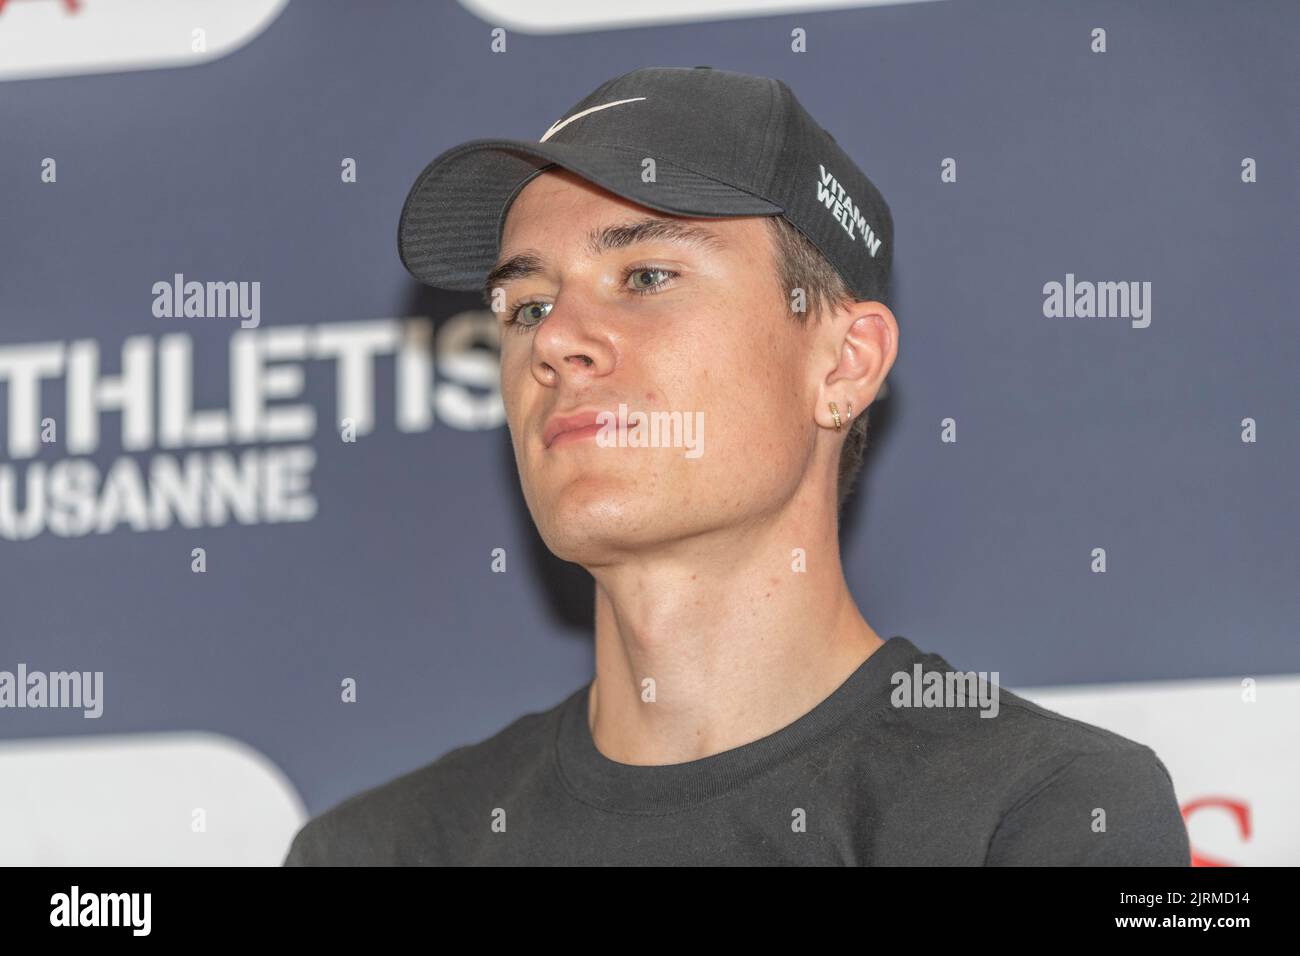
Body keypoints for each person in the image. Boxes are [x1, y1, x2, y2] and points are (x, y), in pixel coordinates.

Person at [283, 66, 1189, 866]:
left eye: (646, 277)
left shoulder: (1047, 814)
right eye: (524, 306)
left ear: (843, 365)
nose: (555, 341)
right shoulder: (377, 851)